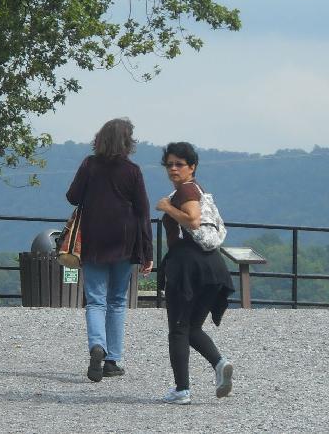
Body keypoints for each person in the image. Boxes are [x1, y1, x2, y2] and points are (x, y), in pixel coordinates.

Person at [66, 118, 154, 382]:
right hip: (124, 242)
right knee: (117, 301)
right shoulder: (133, 171)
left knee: (95, 300)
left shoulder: (89, 165)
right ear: (127, 142)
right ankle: (112, 360)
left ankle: (97, 345)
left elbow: (72, 197)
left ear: (100, 139)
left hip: (93, 240)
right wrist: (147, 253)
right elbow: (143, 212)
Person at [155, 141, 235, 405]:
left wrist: (167, 208)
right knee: (192, 327)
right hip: (213, 267)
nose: (173, 169)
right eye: (169, 165)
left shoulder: (186, 190)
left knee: (178, 329)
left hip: (188, 267)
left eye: (179, 164)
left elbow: (193, 220)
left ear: (192, 167)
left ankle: (182, 390)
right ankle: (220, 363)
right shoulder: (199, 190)